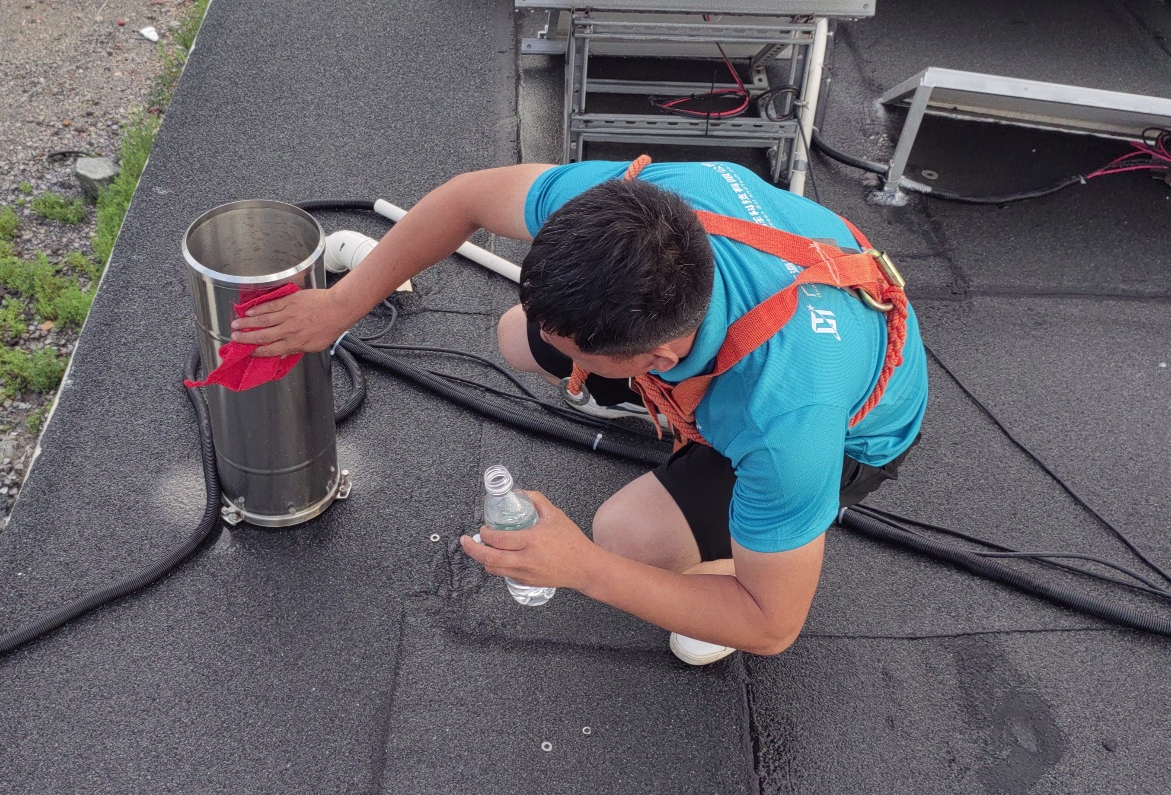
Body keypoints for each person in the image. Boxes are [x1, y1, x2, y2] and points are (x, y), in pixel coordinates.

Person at [229, 158, 927, 664]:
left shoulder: (785, 427)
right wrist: (338, 306)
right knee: (515, 335)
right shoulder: (635, 207)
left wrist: (581, 566)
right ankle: (671, 428)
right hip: (731, 345)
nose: (571, 364)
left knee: (628, 538)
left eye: (589, 359)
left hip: (848, 432)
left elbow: (775, 626)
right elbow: (469, 198)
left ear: (656, 357)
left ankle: (733, 524)